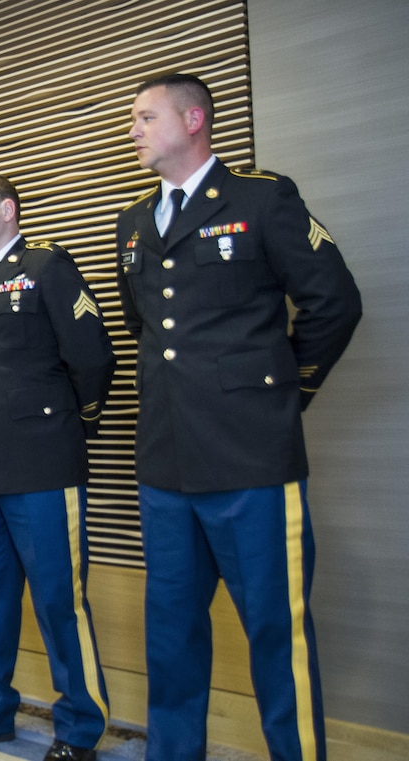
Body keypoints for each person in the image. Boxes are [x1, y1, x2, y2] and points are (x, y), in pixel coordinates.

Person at [116, 73, 362, 761]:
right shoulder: (134, 221)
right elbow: (145, 326)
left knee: (276, 633)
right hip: (166, 463)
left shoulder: (261, 198)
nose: (132, 129)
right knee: (170, 633)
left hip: (251, 460)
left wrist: (282, 393)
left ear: (194, 119)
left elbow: (334, 302)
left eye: (145, 116)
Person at [0, 174, 114, 761]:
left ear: (7, 210)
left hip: (43, 464)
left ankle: (81, 727)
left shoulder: (47, 267)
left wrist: (66, 427)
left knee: (60, 598)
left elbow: (93, 358)